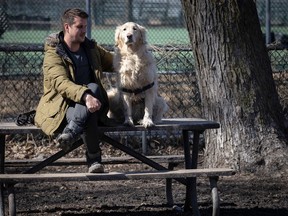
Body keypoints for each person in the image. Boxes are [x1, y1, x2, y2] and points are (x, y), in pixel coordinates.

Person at [34, 8, 115, 173]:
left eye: (85, 26)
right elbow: (61, 83)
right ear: (67, 27)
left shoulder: (91, 48)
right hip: (62, 108)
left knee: (92, 92)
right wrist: (85, 96)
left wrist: (138, 59)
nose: (84, 30)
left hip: (90, 105)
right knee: (91, 94)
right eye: (79, 27)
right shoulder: (54, 53)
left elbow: (115, 62)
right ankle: (94, 161)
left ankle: (70, 133)